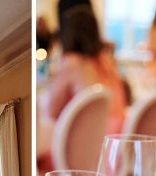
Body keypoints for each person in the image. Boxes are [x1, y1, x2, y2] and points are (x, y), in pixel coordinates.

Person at [41, 5, 127, 134]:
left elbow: (50, 112)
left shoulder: (71, 63)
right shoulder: (106, 62)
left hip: (83, 146)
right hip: (113, 144)